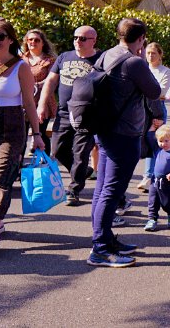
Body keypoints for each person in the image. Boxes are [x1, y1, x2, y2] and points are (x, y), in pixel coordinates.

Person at [88, 18, 161, 268]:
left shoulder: (106, 54)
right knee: (111, 191)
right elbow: (154, 90)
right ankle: (100, 248)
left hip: (105, 128)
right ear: (141, 39)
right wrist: (141, 58)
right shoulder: (135, 62)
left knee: (102, 188)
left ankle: (105, 239)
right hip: (124, 133)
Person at [0, 17, 46, 251]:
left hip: (11, 127)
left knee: (1, 177)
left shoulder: (20, 66)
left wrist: (37, 134)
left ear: (10, 39)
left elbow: (29, 103)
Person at [37, 25, 101, 206]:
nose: (77, 41)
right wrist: (41, 104)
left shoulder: (100, 59)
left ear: (93, 40)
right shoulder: (64, 57)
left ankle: (74, 190)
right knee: (57, 150)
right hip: (64, 113)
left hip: (87, 115)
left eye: (82, 38)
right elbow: (50, 81)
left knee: (81, 153)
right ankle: (82, 171)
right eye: (75, 37)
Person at [137, 42, 170, 192]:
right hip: (141, 110)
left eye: (154, 53)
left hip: (157, 110)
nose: (150, 56)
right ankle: (150, 176)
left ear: (160, 55)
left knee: (156, 143)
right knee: (145, 142)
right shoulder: (141, 68)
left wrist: (146, 89)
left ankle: (155, 175)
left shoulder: (165, 71)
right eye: (148, 53)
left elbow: (161, 91)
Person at [21, 29, 56, 149]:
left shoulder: (50, 60)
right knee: (22, 135)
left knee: (40, 133)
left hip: (42, 101)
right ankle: (19, 165)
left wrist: (36, 85)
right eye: (30, 39)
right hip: (23, 101)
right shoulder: (19, 59)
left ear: (42, 43)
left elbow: (52, 79)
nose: (33, 42)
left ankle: (45, 162)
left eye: (36, 40)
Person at [143, 125, 170, 232]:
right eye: (160, 141)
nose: (163, 144)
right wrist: (151, 127)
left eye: (166, 141)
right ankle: (152, 219)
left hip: (167, 182)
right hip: (154, 181)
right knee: (153, 200)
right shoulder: (157, 150)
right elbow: (150, 138)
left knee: (167, 201)